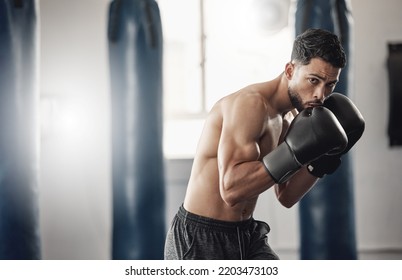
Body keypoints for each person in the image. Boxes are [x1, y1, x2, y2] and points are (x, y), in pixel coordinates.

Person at [164, 28, 365, 260]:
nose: (320, 94)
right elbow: (231, 190)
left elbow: (286, 196)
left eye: (330, 84)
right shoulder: (250, 105)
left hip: (246, 234)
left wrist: (323, 160)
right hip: (201, 237)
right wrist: (292, 153)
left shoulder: (291, 118)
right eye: (314, 80)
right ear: (290, 70)